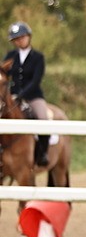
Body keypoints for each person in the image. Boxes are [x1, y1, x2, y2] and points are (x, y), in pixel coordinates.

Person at [4, 21, 50, 166]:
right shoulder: (11, 56)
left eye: (22, 37)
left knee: (43, 119)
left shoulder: (38, 57)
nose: (20, 41)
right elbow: (3, 74)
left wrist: (21, 95)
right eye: (16, 39)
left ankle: (42, 153)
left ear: (28, 37)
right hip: (12, 97)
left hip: (33, 97)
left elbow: (36, 81)